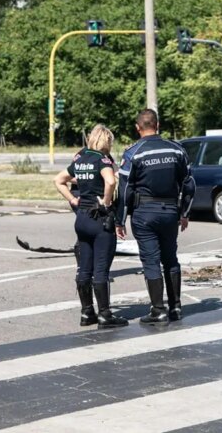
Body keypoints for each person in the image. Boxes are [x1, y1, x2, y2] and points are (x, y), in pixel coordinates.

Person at [115, 109, 195, 325]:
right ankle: (176, 307)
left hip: (144, 214)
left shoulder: (133, 153)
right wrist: (185, 212)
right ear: (157, 125)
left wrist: (119, 220)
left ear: (137, 128)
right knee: (170, 259)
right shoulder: (176, 150)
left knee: (151, 261)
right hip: (170, 211)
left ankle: (158, 310)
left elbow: (125, 190)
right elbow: (189, 184)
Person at [54, 124, 128, 328]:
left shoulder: (81, 158)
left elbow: (58, 180)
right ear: (107, 141)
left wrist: (72, 199)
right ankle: (105, 315)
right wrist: (106, 202)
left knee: (84, 268)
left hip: (82, 218)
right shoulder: (102, 159)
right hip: (99, 219)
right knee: (101, 268)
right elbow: (111, 182)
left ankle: (87, 312)